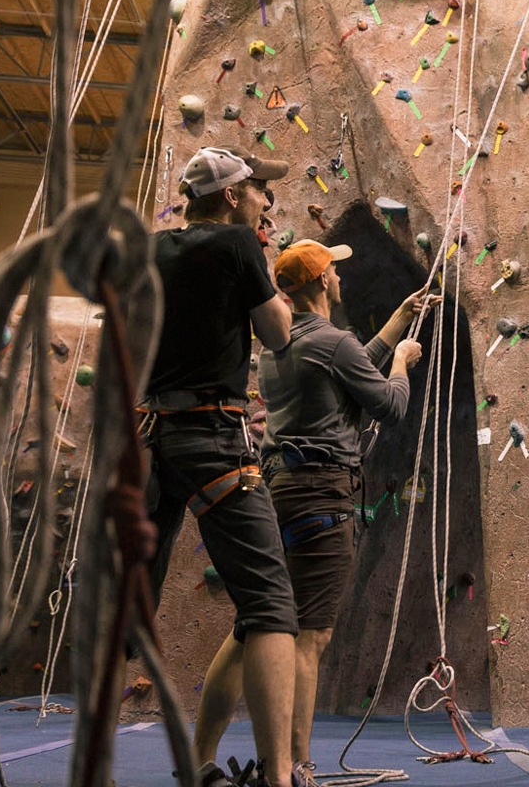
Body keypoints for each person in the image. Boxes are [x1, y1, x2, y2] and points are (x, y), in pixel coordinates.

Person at [190, 240, 431, 787]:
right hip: (323, 495)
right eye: (336, 271)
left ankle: (200, 757)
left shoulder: (279, 346)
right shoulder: (332, 341)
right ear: (323, 282)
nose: (341, 278)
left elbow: (342, 368)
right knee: (309, 636)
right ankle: (296, 768)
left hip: (278, 490)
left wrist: (396, 322)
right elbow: (388, 405)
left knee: (253, 627)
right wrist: (401, 362)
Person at [143, 146, 298, 787]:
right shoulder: (238, 244)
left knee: (131, 604)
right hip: (214, 436)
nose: (267, 200)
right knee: (268, 606)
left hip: (152, 438)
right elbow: (279, 332)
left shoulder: (151, 250)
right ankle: (279, 778)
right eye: (259, 190)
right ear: (232, 196)